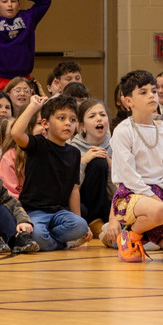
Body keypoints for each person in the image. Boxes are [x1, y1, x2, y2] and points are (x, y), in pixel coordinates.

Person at [109, 70, 163, 263]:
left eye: (154, 91)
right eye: (143, 92)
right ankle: (130, 234)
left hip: (161, 198)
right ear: (128, 101)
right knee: (160, 211)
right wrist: (161, 205)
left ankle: (146, 234)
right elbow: (129, 176)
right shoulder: (122, 131)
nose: (152, 96)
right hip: (131, 194)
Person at [11, 94, 91, 252]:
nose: (68, 123)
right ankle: (64, 244)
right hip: (33, 211)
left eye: (72, 120)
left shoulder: (74, 153)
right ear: (45, 124)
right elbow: (16, 133)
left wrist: (80, 222)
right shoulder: (38, 144)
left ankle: (51, 241)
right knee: (38, 236)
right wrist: (33, 106)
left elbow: (74, 189)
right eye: (61, 118)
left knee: (81, 226)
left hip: (59, 213)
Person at [69, 99, 114, 237]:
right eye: (92, 116)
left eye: (103, 115)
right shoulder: (73, 148)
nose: (99, 119)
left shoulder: (116, 145)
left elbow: (118, 190)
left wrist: (110, 165)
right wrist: (83, 162)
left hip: (110, 203)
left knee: (101, 162)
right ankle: (95, 221)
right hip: (84, 205)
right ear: (82, 126)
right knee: (97, 162)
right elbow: (72, 189)